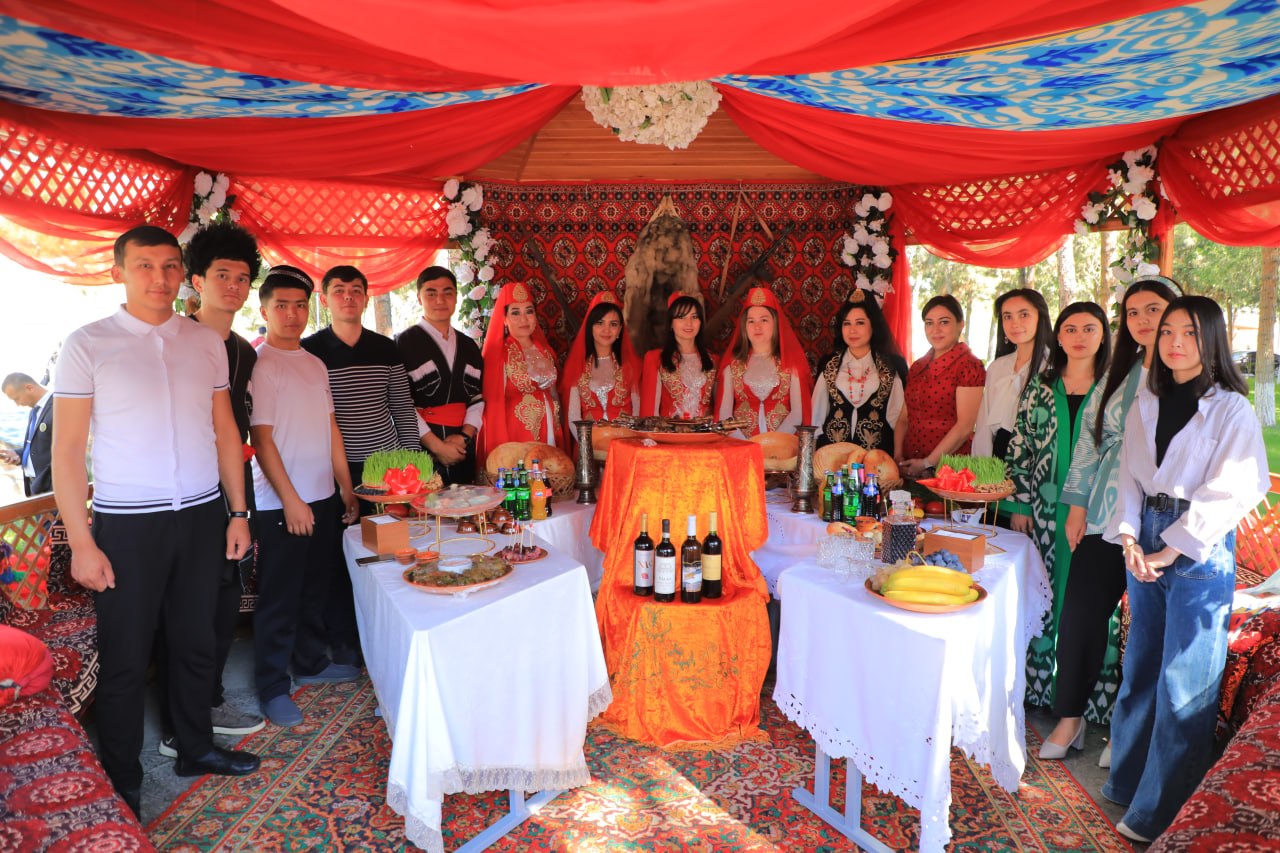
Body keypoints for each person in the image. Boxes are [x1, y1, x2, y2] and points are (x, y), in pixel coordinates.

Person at [51, 225, 259, 817]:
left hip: (201, 515)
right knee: (125, 656)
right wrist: (83, 543)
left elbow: (226, 432)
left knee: (196, 642)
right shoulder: (88, 344)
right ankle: (124, 780)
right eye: (145, 265)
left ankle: (196, 747)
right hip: (127, 524)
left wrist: (237, 512)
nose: (160, 278)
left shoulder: (204, 342)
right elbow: (68, 452)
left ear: (182, 275)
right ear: (118, 271)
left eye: (170, 266)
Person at [1102, 295, 1267, 843]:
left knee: (1183, 680)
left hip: (1198, 542)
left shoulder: (1231, 409)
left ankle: (1160, 811)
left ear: (1212, 340)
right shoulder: (1147, 399)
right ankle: (1127, 783)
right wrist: (1129, 536)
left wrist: (1171, 550)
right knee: (1141, 664)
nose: (1174, 342)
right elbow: (1129, 476)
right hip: (1145, 533)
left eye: (1189, 333)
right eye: (1167, 330)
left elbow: (1235, 489)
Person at [1046, 276, 1178, 761]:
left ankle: (1126, 732)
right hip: (1105, 512)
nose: (1143, 320)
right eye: (1134, 312)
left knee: (1145, 627)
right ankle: (1070, 719)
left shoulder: (1186, 371)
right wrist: (1077, 506)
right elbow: (1089, 438)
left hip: (1161, 518)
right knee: (1080, 614)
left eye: (1154, 309)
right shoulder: (1119, 371)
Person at [155, 221, 266, 760]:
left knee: (224, 601)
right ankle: (179, 726)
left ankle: (209, 702)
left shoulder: (245, 350)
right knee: (186, 609)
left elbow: (238, 428)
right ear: (196, 281)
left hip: (233, 486)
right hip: (183, 490)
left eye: (242, 278)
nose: (233, 286)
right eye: (222, 275)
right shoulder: (171, 339)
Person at [249, 266, 360, 729]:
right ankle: (273, 686)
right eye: (282, 306)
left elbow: (330, 427)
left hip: (322, 495)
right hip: (281, 503)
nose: (292, 314)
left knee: (316, 586)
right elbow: (262, 439)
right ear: (264, 311)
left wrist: (345, 485)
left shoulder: (314, 363)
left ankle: (311, 662)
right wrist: (291, 500)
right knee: (280, 597)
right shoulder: (262, 364)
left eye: (300, 305)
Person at [303, 264, 420, 666]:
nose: (348, 297)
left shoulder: (386, 348)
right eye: (339, 290)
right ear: (325, 299)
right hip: (333, 472)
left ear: (367, 298)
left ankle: (390, 636)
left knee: (389, 554)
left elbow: (402, 409)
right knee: (338, 558)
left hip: (386, 472)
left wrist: (412, 470)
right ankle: (345, 640)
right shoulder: (310, 350)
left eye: (356, 290)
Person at [1003, 302, 1111, 724]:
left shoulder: (1114, 388)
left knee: (1091, 605)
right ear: (1058, 336)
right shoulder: (1041, 386)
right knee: (1044, 595)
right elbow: (1021, 445)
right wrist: (1019, 504)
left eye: (1089, 328)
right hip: (1044, 511)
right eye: (1070, 329)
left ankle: (1088, 702)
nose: (1079, 337)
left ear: (1103, 334)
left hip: (1098, 515)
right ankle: (1040, 688)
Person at [396, 266, 484, 486]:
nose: (440, 300)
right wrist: (438, 447)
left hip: (462, 447)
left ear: (456, 297)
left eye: (447, 292)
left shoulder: (469, 346)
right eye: (431, 293)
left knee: (466, 502)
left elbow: (476, 399)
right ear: (419, 298)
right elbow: (401, 404)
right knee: (426, 503)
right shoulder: (402, 343)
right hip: (422, 447)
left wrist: (464, 437)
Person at [895, 295, 985, 477]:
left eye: (944, 322)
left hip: (950, 469)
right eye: (929, 323)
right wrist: (898, 457)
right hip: (910, 464)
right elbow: (904, 418)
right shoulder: (918, 366)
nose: (935, 330)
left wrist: (927, 463)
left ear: (960, 324)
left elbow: (965, 426)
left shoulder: (969, 365)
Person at [811, 290, 907, 450]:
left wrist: (898, 457)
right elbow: (815, 419)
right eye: (847, 323)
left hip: (876, 460)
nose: (852, 330)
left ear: (873, 326)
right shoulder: (829, 365)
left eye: (860, 323)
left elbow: (899, 421)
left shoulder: (890, 368)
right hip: (831, 459)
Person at [478, 282, 563, 461]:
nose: (524, 319)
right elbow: (493, 406)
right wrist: (500, 449)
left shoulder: (545, 350)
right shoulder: (499, 353)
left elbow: (554, 393)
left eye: (529, 311)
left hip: (551, 428)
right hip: (517, 434)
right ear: (504, 319)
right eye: (515, 313)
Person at [715, 287, 811, 436]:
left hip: (783, 446)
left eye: (764, 320)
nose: (757, 327)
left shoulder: (791, 365)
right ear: (744, 326)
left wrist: (773, 443)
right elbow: (724, 416)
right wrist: (747, 445)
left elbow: (798, 413)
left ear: (775, 323)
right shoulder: (732, 367)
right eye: (751, 321)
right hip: (742, 445)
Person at [972, 289, 1053, 459]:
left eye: (1024, 315)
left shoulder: (1055, 366)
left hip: (1040, 457)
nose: (1014, 323)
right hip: (998, 456)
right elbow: (984, 425)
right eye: (1007, 316)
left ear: (1041, 317)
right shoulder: (997, 368)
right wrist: (980, 465)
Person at [560, 291, 640, 437]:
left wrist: (628, 442)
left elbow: (638, 412)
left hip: (624, 442)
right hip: (588, 443)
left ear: (620, 330)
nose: (606, 330)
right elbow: (573, 416)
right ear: (590, 327)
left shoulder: (630, 366)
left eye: (613, 324)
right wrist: (587, 445)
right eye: (600, 323)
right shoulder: (577, 367)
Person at [639, 294, 717, 419]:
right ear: (671, 323)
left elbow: (720, 409)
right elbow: (649, 411)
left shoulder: (714, 360)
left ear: (701, 322)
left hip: (704, 430)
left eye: (694, 317)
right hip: (668, 431)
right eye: (681, 317)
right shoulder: (655, 359)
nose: (689, 323)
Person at [1, 373, 53, 495]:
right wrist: (19, 455)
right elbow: (41, 445)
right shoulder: (34, 411)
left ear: (29, 388)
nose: (18, 404)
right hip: (35, 486)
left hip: (52, 488)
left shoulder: (58, 407)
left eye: (17, 398)